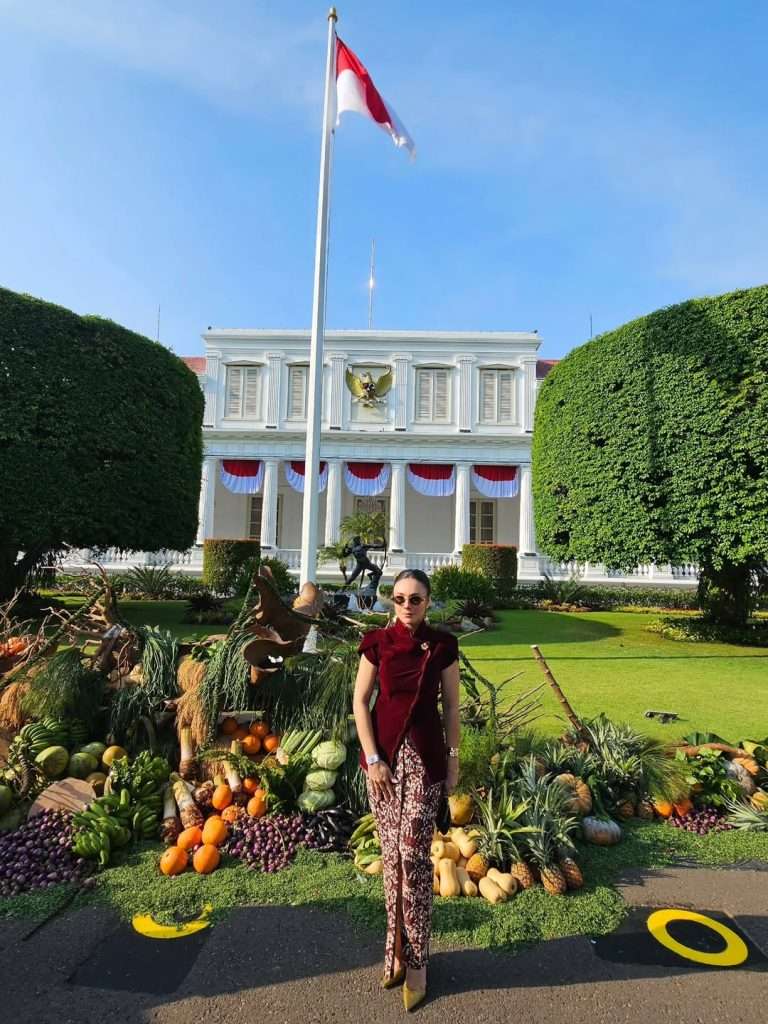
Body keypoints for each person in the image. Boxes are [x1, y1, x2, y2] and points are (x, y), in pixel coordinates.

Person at [352, 568, 460, 1012]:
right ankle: (395, 949)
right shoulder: (377, 643)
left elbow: (452, 705)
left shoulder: (441, 645)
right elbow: (360, 701)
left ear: (428, 601)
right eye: (399, 598)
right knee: (393, 858)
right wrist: (373, 758)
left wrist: (454, 760)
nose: (407, 605)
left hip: (425, 761)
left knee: (414, 855)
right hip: (383, 765)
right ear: (391, 601)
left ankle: (418, 963)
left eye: (415, 598)